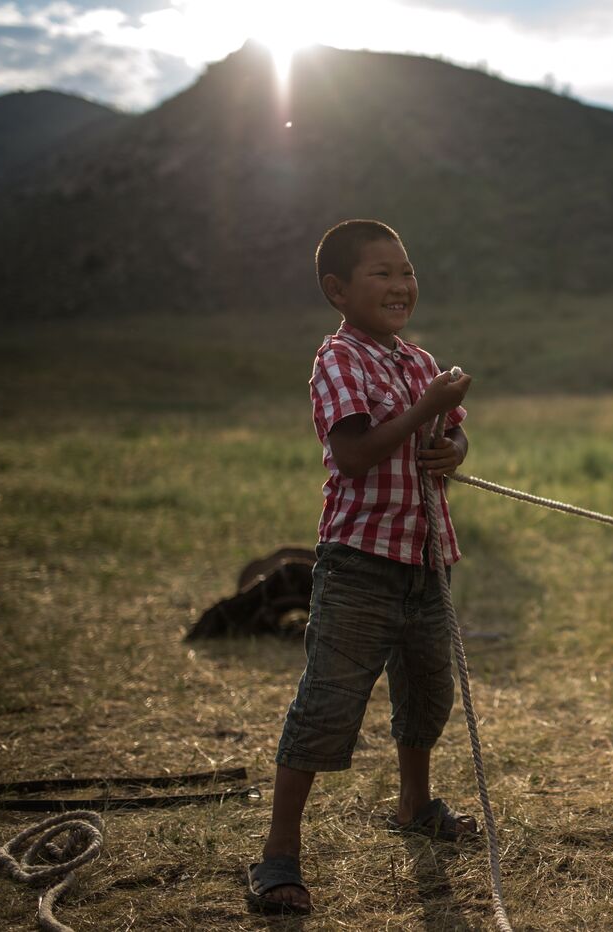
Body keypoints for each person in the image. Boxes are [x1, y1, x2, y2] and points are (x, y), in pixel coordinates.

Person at [247, 219, 477, 915]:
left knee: (428, 693)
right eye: (381, 273)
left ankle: (414, 804)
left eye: (406, 270)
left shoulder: (417, 360)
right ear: (337, 290)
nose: (400, 284)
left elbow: (447, 431)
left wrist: (453, 446)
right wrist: (425, 412)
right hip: (359, 566)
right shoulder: (338, 361)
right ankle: (278, 853)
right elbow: (353, 454)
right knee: (327, 706)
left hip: (425, 562)